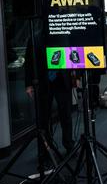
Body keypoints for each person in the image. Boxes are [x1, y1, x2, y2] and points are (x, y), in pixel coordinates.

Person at [25, 26, 74, 170]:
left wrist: (75, 76)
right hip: (44, 83)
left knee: (66, 115)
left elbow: (71, 55)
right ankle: (46, 151)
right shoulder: (35, 38)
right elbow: (29, 62)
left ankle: (69, 145)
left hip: (62, 81)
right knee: (44, 119)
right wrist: (28, 85)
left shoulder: (64, 34)